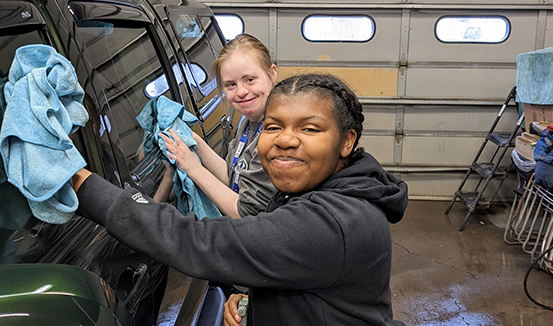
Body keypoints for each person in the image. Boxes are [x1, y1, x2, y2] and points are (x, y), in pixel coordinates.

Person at [71, 73, 408, 326]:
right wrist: (254, 298)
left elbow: (199, 242)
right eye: (273, 127)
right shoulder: (321, 187)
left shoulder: (334, 222)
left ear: (346, 142)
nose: (286, 140)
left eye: (309, 129)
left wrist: (81, 182)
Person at [168, 33, 278, 219]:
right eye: (230, 85)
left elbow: (245, 213)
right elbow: (232, 176)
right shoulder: (248, 121)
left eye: (250, 79)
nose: (241, 92)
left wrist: (194, 169)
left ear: (272, 73)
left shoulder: (276, 133)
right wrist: (195, 142)